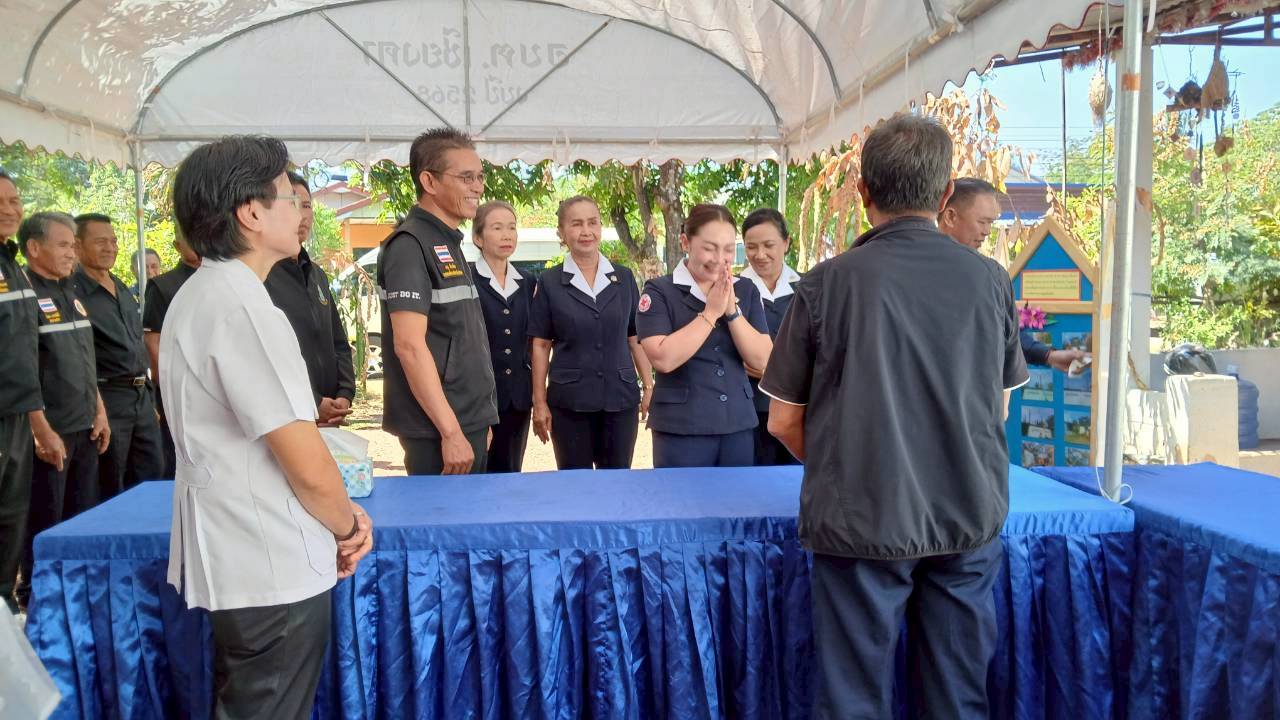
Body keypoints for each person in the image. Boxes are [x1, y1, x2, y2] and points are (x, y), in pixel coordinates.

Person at [760, 115, 1028, 720]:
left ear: (863, 192)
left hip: (860, 516)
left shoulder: (825, 284)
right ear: (944, 195)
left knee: (853, 701)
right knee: (957, 699)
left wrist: (846, 461)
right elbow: (999, 405)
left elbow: (782, 421)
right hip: (967, 509)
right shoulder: (990, 279)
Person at [164, 135, 373, 718]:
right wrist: (348, 525)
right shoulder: (245, 308)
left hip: (242, 547)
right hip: (268, 556)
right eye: (290, 198)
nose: (303, 211)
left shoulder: (203, 292)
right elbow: (305, 462)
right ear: (251, 213)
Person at [377, 128, 497, 475]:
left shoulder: (447, 241)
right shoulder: (409, 245)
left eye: (480, 177)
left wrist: (478, 418)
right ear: (429, 181)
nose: (478, 187)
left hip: (466, 421)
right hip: (437, 433)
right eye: (466, 177)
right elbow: (409, 346)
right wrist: (451, 432)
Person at [15, 212, 111, 612]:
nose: (72, 252)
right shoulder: (22, 295)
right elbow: (20, 370)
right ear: (34, 248)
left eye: (73, 245)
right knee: (46, 520)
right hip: (50, 432)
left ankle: (78, 597)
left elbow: (87, 360)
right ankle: (40, 601)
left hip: (85, 426)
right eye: (63, 245)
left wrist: (99, 410)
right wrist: (40, 430)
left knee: (81, 516)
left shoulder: (71, 292)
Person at [636, 204, 772, 468]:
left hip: (737, 425)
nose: (720, 258)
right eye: (710, 248)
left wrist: (732, 312)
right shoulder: (659, 291)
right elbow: (662, 358)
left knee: (737, 495)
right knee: (682, 495)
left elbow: (762, 359)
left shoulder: (746, 289)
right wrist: (710, 313)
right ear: (685, 242)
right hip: (680, 428)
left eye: (729, 249)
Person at [528, 197, 652, 470]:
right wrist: (539, 402)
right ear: (561, 232)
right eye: (576, 224)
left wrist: (649, 386)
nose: (586, 231)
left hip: (620, 400)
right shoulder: (550, 281)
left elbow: (635, 337)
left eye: (592, 223)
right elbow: (540, 344)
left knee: (617, 483)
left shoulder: (624, 278)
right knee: (576, 486)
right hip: (569, 403)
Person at [938, 177, 1086, 372]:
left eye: (991, 223)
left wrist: (1047, 355)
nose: (987, 232)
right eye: (982, 222)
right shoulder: (926, 271)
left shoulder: (987, 275)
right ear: (950, 216)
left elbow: (1002, 330)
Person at [72, 214, 164, 498]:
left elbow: (136, 343)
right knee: (112, 484)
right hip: (107, 398)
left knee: (152, 475)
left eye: (113, 241)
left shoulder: (121, 286)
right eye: (101, 242)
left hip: (140, 397)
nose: (110, 248)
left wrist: (148, 399)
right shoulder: (72, 291)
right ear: (77, 245)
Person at [265, 172, 356, 426]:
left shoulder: (316, 274)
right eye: (293, 204)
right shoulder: (262, 275)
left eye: (306, 205)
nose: (302, 215)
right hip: (289, 419)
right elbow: (267, 359)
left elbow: (338, 342)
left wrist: (345, 393)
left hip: (331, 416)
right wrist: (314, 403)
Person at [469, 201, 534, 472]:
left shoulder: (528, 282)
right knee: (477, 474)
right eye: (497, 228)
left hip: (518, 398)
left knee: (510, 472)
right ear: (478, 238)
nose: (507, 235)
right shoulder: (466, 279)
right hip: (477, 397)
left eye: (512, 228)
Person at [0, 170, 40, 613]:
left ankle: (7, 614)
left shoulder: (12, 264)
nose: (9, 209)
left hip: (16, 414)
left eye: (14, 200)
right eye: (0, 201)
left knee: (11, 518)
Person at [740, 207, 802, 466]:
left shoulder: (808, 288)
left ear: (786, 243)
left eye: (768, 245)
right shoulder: (732, 289)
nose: (760, 254)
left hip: (797, 409)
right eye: (751, 247)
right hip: (748, 410)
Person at [143, 226, 200, 480]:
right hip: (180, 392)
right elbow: (153, 342)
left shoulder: (224, 279)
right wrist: (168, 386)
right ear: (178, 245)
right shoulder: (163, 286)